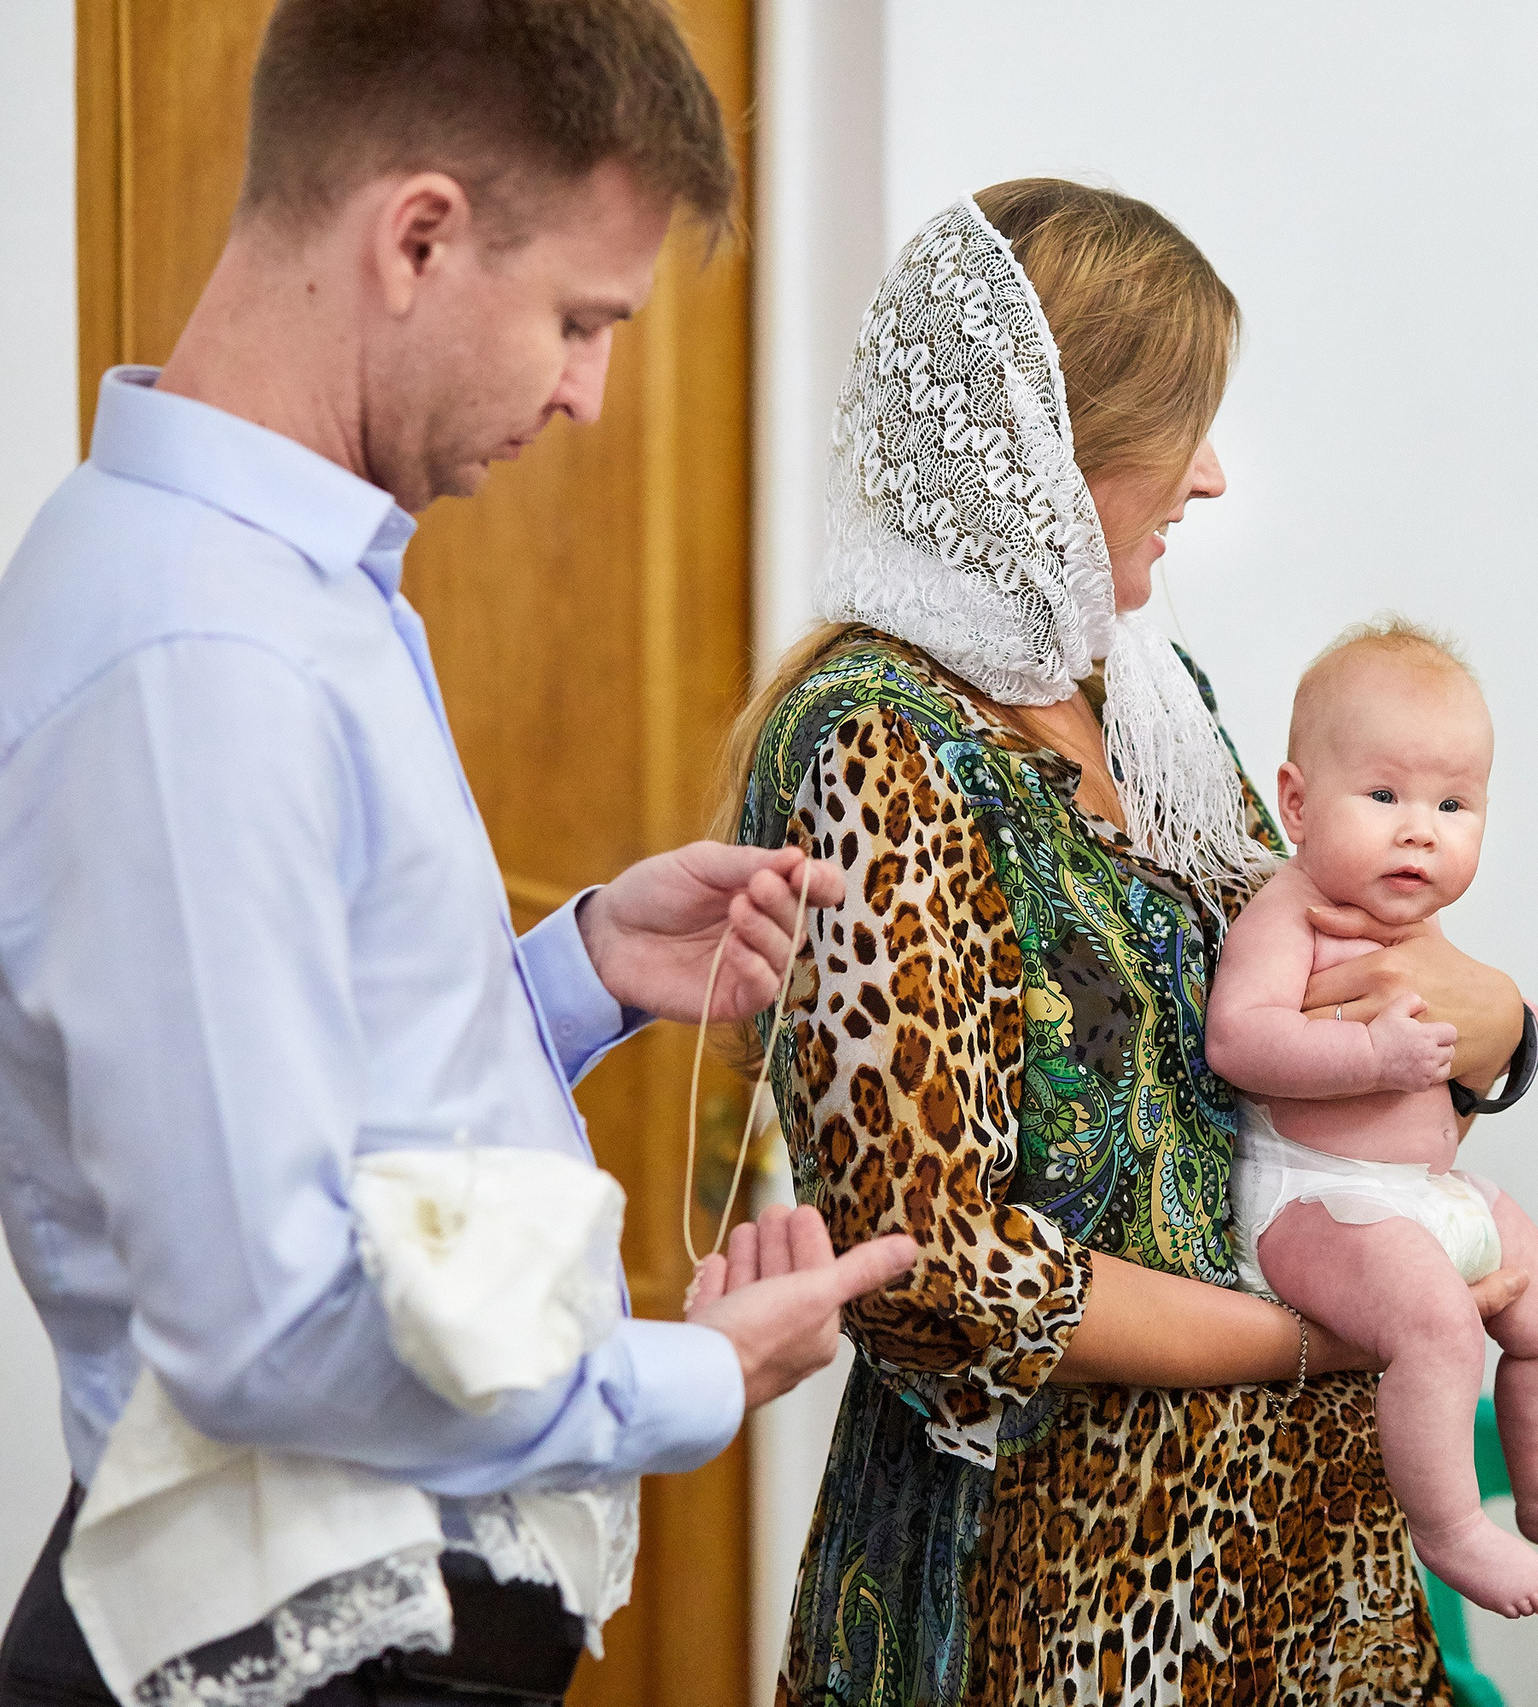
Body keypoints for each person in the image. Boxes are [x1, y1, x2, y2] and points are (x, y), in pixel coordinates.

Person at [0, 5, 914, 1704]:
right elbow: (265, 1318)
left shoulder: (285, 588)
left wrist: (571, 976)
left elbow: (304, 1078)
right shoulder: (206, 653)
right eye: (580, 318)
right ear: (416, 235)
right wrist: (685, 1377)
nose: (587, 392)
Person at [720, 183, 1533, 1706]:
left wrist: (1500, 1025)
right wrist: (1312, 1328)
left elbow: (1333, 980)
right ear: (1052, 447)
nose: (1213, 477)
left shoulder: (1150, 697)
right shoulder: (874, 745)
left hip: (1289, 1550)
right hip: (1044, 1583)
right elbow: (931, 1269)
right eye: (1182, 430)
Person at [1206, 622, 1538, 1620]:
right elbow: (1239, 1043)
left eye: (1453, 805)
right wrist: (1370, 1059)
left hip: (1431, 1197)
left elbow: (1460, 1040)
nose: (1420, 830)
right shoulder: (1288, 913)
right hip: (1318, 1201)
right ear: (1295, 800)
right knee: (1439, 1329)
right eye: (1383, 796)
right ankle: (1452, 1530)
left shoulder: (1414, 923)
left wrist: (1501, 1020)